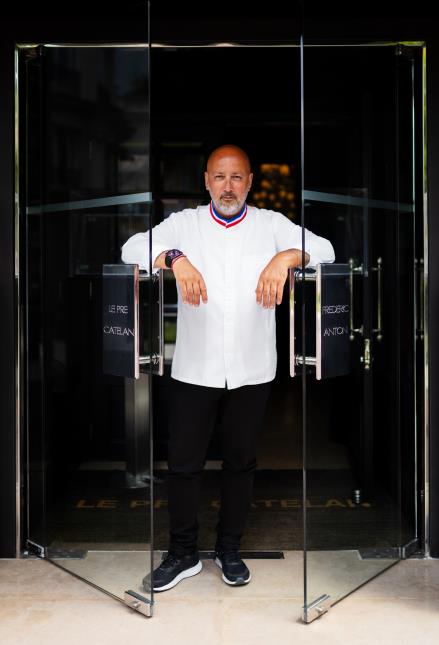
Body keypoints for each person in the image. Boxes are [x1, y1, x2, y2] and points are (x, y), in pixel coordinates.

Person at [121, 144, 335, 592]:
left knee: (240, 462)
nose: (228, 186)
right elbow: (131, 248)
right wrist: (175, 259)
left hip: (252, 368)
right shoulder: (186, 224)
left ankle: (228, 548)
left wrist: (285, 257)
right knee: (183, 465)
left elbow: (325, 249)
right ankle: (182, 554)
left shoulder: (271, 225)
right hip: (194, 368)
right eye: (219, 177)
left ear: (250, 181)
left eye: (237, 177)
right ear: (206, 182)